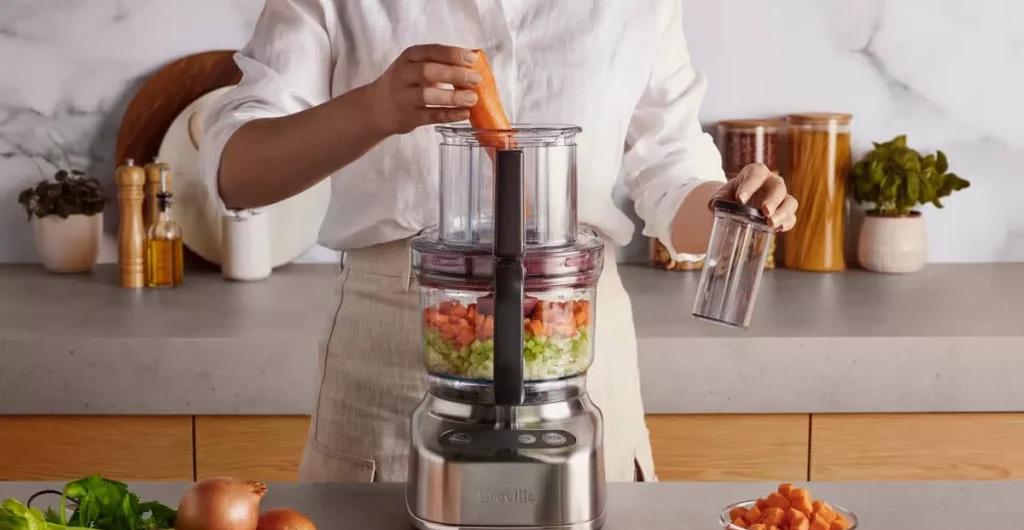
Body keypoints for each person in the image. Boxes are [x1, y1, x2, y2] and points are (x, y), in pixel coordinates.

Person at [200, 0, 798, 483]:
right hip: (398, 346)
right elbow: (238, 172)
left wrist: (730, 206)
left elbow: (671, 170)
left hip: (576, 334)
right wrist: (376, 107)